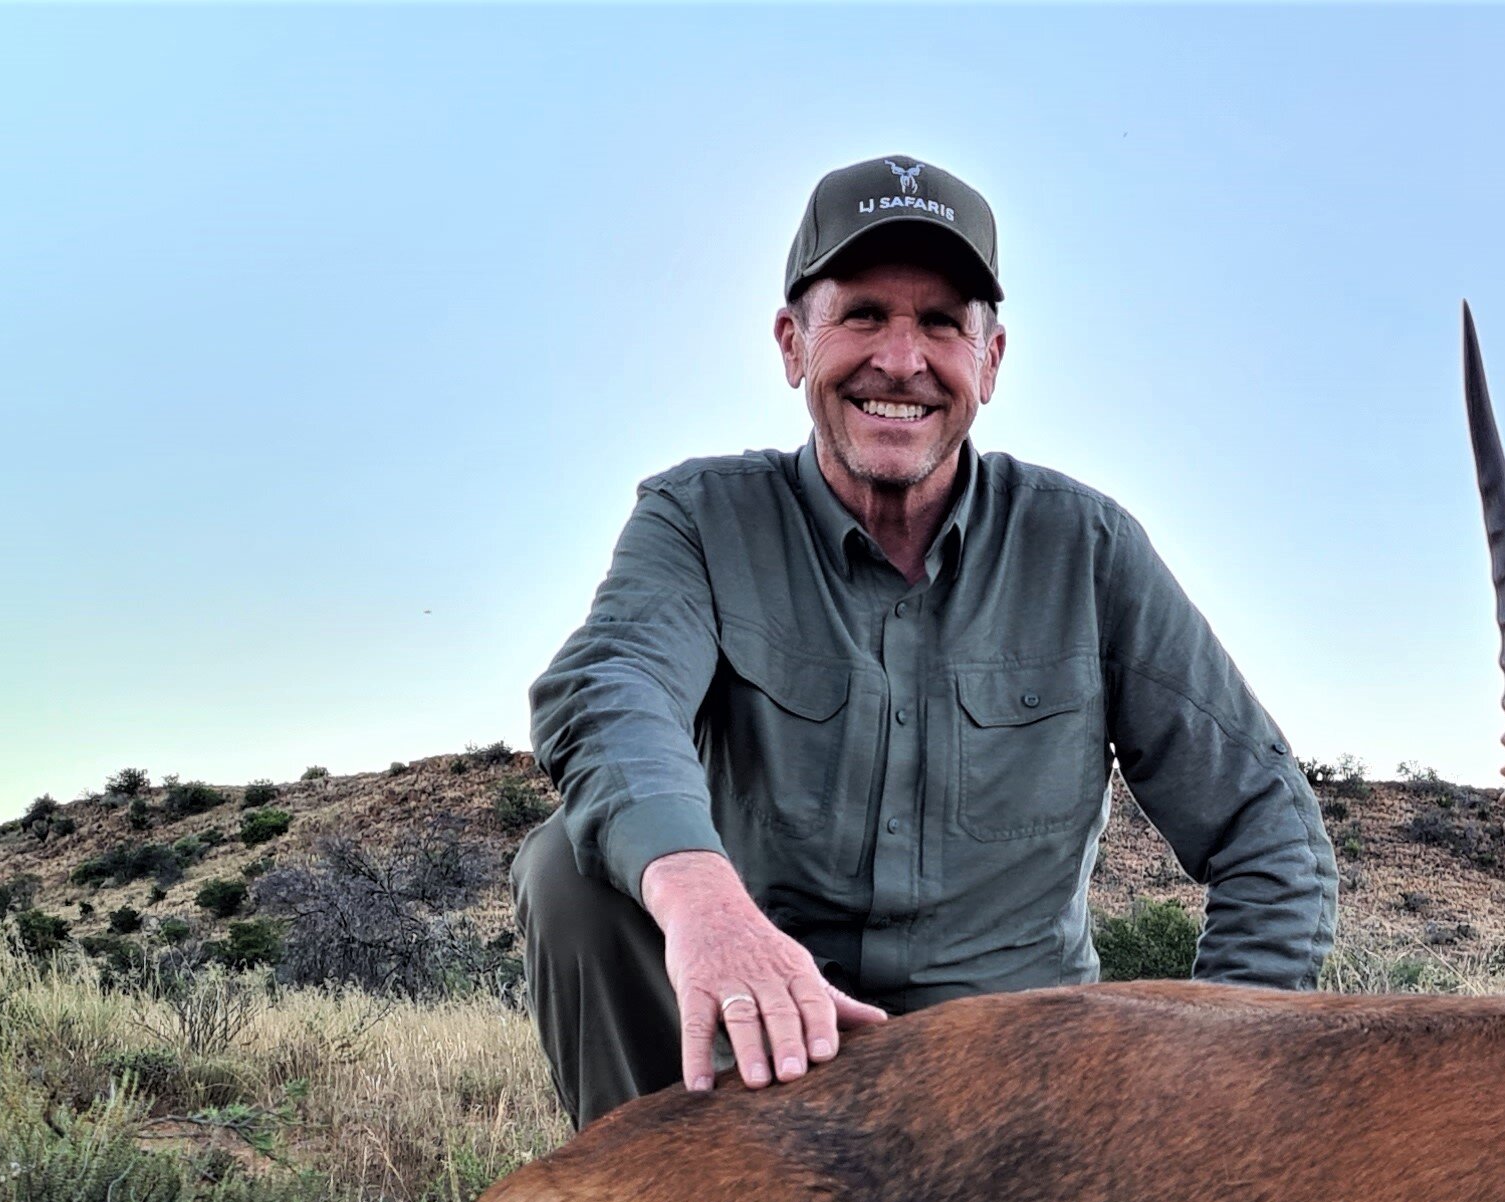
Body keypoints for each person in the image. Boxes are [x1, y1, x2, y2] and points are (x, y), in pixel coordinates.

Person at [518, 155, 1336, 1127]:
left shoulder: (1086, 547)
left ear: (989, 360)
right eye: (863, 313)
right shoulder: (700, 516)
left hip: (1019, 1072)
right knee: (565, 868)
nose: (901, 359)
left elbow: (1268, 829)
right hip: (775, 1038)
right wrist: (705, 899)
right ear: (792, 344)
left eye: (942, 322)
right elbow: (612, 686)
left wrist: (1213, 1080)